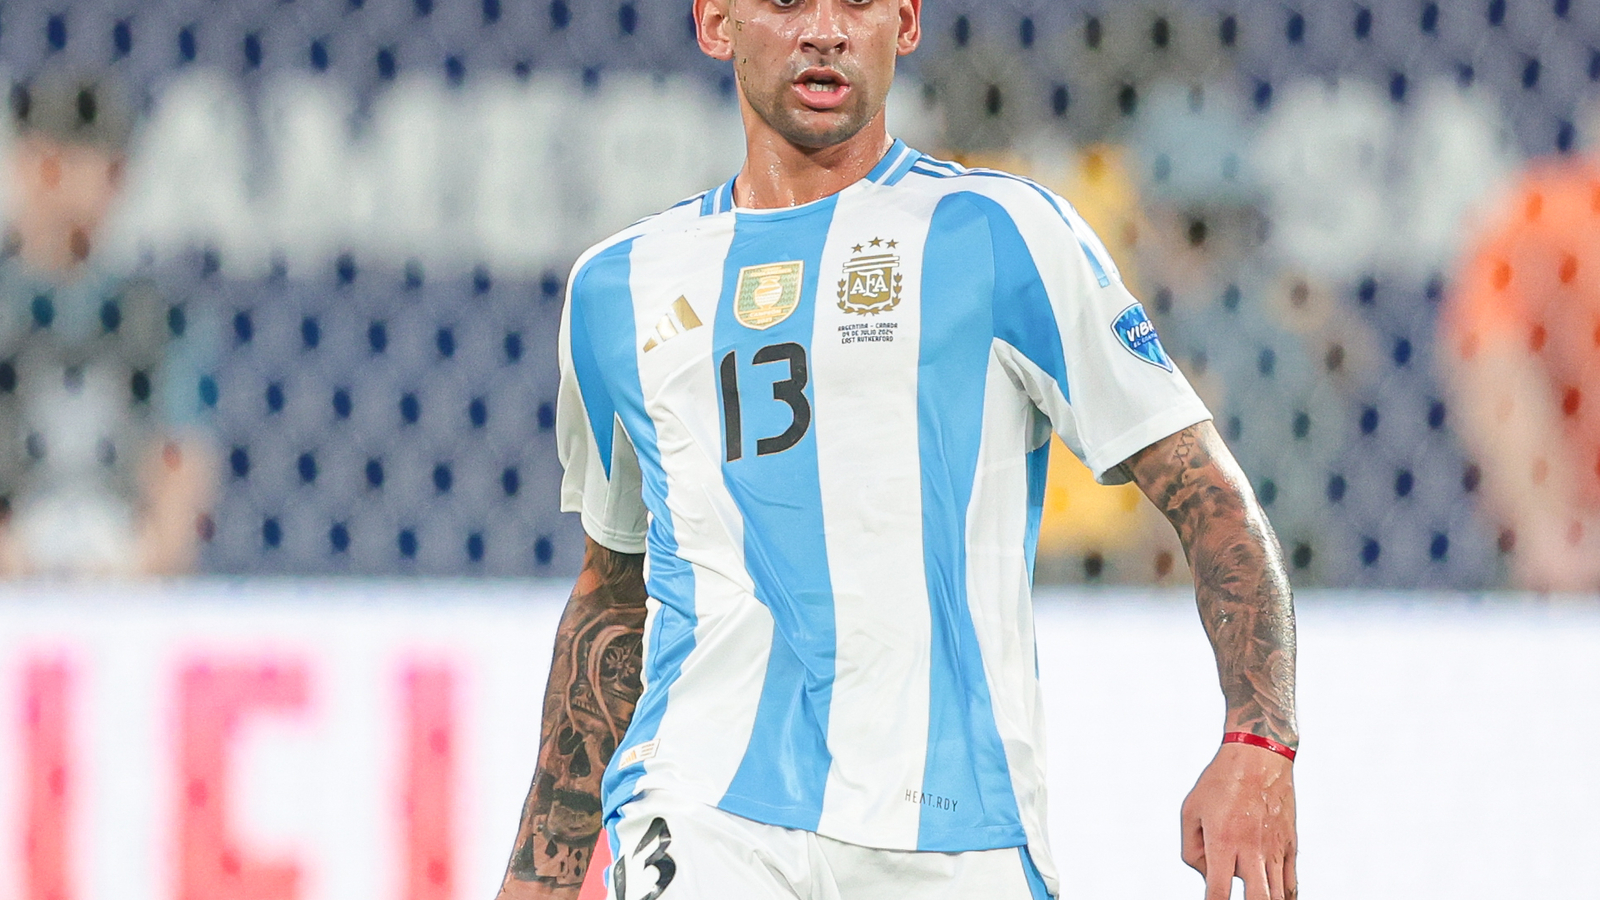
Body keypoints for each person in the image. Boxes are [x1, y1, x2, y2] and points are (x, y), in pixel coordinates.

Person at [498, 1, 1298, 898]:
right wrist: (539, 877)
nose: (826, 29)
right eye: (787, 1)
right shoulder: (619, 288)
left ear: (907, 22)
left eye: (859, 1)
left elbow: (1211, 499)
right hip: (701, 805)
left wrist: (1257, 741)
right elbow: (613, 599)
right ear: (716, 21)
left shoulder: (1003, 234)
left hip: (953, 832)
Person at [0, 70, 215, 576]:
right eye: (60, 164)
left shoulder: (157, 318)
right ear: (31, 166)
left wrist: (145, 558)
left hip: (121, 579)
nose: (103, 183)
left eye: (113, 167)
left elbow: (181, 461)